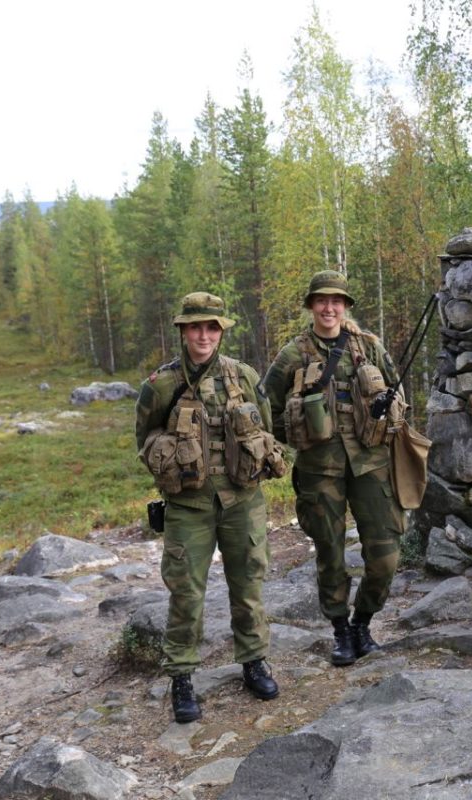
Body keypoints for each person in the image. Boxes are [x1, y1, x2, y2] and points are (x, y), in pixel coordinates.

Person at [135, 291, 286, 722]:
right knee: (186, 592)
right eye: (196, 327)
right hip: (189, 505)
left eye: (211, 327)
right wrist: (170, 456)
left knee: (249, 584)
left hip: (243, 500)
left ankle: (254, 662)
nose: (204, 335)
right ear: (183, 331)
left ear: (221, 331)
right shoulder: (160, 384)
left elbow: (267, 427)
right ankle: (182, 676)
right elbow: (143, 440)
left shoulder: (244, 375)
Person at [260, 270, 406, 666]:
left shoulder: (369, 347)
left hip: (371, 463)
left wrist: (383, 413)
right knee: (330, 552)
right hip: (319, 469)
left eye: (336, 301)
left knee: (386, 553)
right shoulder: (292, 355)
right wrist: (295, 432)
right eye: (322, 300)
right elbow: (265, 408)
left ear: (345, 306)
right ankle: (341, 630)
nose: (329, 307)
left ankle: (364, 622)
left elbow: (398, 395)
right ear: (311, 306)